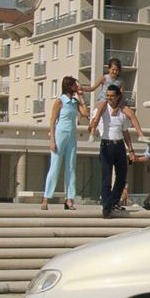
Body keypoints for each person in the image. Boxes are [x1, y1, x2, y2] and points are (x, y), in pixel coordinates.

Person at [89, 84, 144, 219]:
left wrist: (131, 149)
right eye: (107, 96)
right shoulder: (101, 109)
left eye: (112, 96)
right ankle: (106, 208)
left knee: (122, 176)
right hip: (106, 144)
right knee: (106, 177)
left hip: (119, 145)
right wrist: (92, 127)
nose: (109, 98)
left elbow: (125, 132)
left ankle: (113, 201)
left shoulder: (122, 112)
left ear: (118, 97)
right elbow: (92, 123)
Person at [41, 76, 89, 210]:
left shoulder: (74, 102)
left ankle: (69, 199)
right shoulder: (60, 101)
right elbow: (52, 120)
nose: (77, 87)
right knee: (55, 167)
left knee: (71, 167)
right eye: (75, 85)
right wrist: (52, 139)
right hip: (60, 134)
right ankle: (46, 198)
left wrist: (81, 97)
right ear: (69, 86)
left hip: (72, 136)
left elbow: (85, 113)